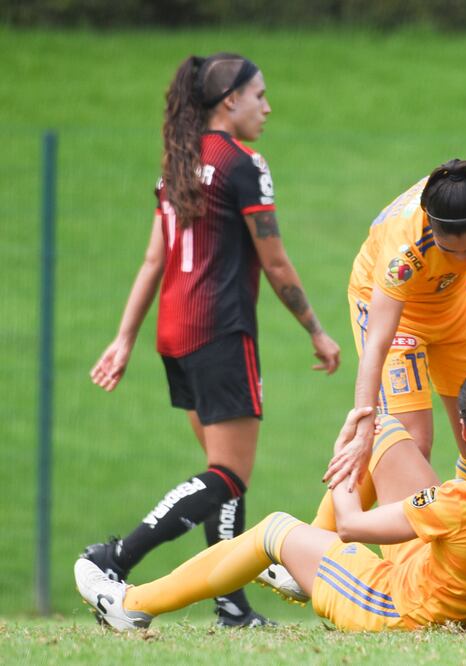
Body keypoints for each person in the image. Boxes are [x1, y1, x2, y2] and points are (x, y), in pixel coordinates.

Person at [74, 269, 466, 634]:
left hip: (406, 608)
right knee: (384, 430)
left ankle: (131, 604)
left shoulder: (452, 504)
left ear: (465, 431)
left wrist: (347, 451)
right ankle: (307, 569)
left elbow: (353, 527)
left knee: (275, 527)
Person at [84, 52, 341, 627]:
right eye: (259, 96)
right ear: (231, 100)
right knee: (228, 473)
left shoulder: (178, 161)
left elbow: (155, 260)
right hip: (221, 331)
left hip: (174, 334)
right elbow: (275, 263)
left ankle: (231, 606)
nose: (267, 107)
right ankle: (114, 561)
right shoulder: (243, 163)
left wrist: (124, 338)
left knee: (219, 470)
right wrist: (318, 331)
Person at [315, 159, 466, 521]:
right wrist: (363, 427)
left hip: (456, 306)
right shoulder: (403, 253)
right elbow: (376, 342)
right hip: (397, 316)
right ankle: (320, 539)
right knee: (411, 444)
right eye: (448, 250)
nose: (461, 259)